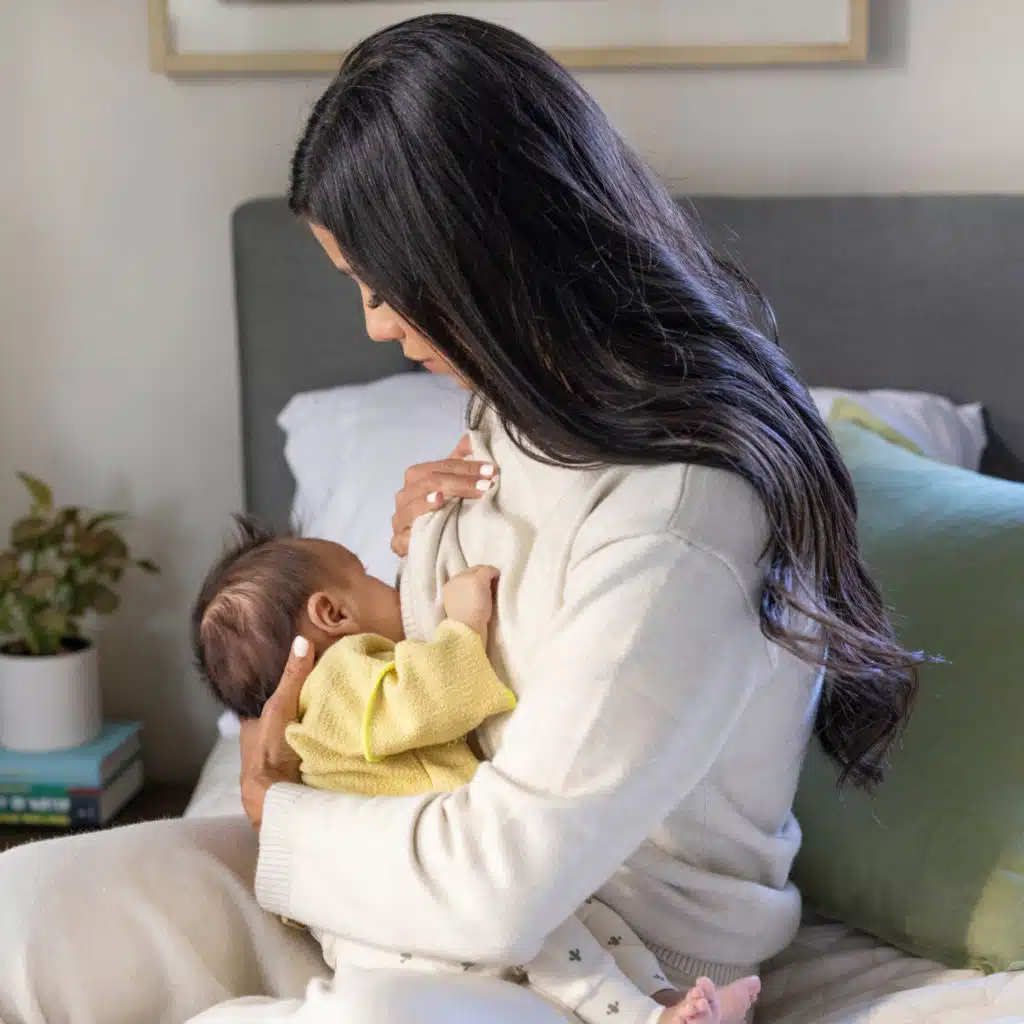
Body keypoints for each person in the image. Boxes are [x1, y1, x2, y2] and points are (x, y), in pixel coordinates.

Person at [0, 13, 921, 1024]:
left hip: (609, 950)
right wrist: (422, 552)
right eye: (357, 285)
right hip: (408, 847)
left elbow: (507, 880)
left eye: (386, 285)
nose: (375, 323)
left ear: (484, 252)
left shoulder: (680, 516)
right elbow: (471, 653)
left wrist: (279, 813)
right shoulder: (516, 408)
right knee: (24, 910)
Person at [189, 520, 761, 1024]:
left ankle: (668, 998)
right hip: (414, 914)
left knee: (589, 920)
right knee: (556, 940)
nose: (395, 589)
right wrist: (463, 624)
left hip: (407, 906)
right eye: (369, 577)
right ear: (332, 614)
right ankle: (649, 1018)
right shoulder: (335, 681)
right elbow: (425, 701)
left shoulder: (327, 713)